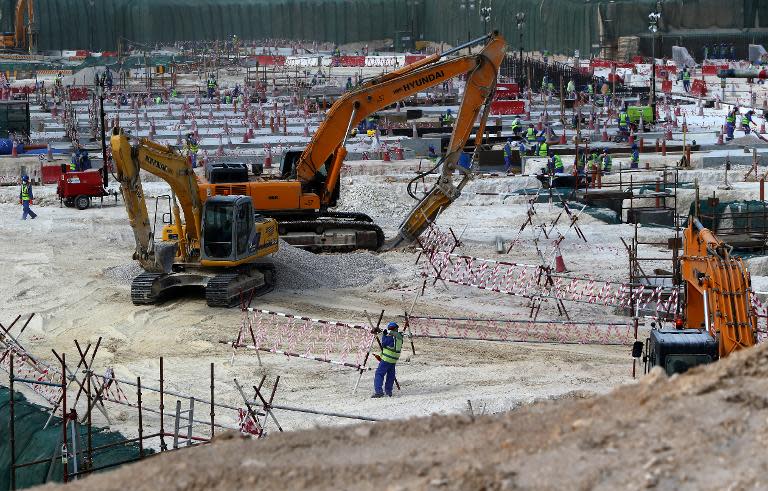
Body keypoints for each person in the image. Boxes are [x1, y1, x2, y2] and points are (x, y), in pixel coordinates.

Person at [372, 322, 403, 398]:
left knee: (379, 374)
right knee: (390, 376)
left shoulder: (390, 337)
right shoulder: (399, 337)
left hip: (386, 359)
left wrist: (383, 334)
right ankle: (388, 391)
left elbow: (384, 343)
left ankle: (379, 392)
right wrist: (383, 332)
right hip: (394, 360)